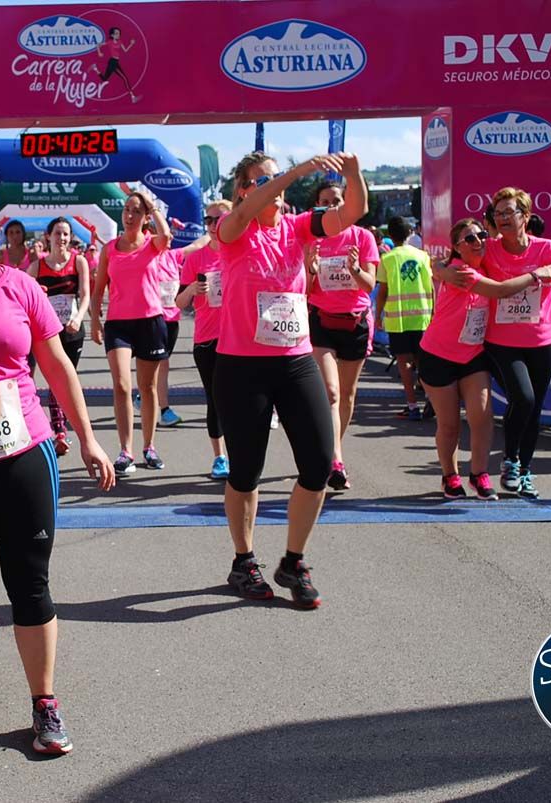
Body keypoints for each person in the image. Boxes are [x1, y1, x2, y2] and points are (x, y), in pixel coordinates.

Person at [0, 185, 114, 756]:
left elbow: (56, 365)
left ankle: (44, 702)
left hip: (21, 453)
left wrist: (87, 439)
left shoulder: (18, 286)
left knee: (30, 583)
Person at [214, 149, 361, 608]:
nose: (271, 187)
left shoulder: (298, 228)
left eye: (274, 180)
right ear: (243, 190)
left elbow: (353, 212)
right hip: (241, 365)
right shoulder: (232, 230)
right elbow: (249, 210)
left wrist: (353, 172)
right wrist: (295, 174)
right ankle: (244, 560)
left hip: (295, 359)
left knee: (318, 464)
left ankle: (293, 560)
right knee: (246, 472)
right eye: (260, 180)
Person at [441, 187, 551, 498]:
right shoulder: (490, 250)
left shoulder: (547, 249)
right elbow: (454, 261)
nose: (503, 219)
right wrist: (439, 269)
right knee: (522, 398)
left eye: (510, 212)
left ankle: (525, 471)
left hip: (543, 341)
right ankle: (510, 461)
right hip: (502, 343)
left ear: (525, 216)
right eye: (498, 214)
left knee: (534, 408)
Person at [420, 219, 551, 499]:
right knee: (449, 424)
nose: (478, 241)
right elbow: (501, 291)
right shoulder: (461, 272)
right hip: (438, 355)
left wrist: (439, 268)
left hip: (472, 354)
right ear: (457, 248)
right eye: (469, 239)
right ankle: (450, 476)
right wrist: (536, 274)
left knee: (482, 417)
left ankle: (479, 474)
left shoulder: (481, 266)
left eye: (481, 235)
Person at [302, 181, 380, 490]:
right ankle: (335, 461)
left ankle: (332, 450)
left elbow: (369, 285)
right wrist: (310, 268)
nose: (332, 206)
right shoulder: (311, 239)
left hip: (355, 322)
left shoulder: (363, 237)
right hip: (321, 321)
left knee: (346, 396)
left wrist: (355, 269)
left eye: (337, 200)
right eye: (325, 201)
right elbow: (305, 291)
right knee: (331, 393)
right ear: (317, 206)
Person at [90, 191, 172, 476]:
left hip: (150, 321)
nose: (129, 215)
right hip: (119, 324)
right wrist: (95, 321)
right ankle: (126, 451)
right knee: (123, 386)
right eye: (126, 210)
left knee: (147, 388)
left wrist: (153, 207)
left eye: (136, 211)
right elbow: (99, 287)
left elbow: (167, 236)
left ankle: (149, 446)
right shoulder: (110, 248)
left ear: (145, 217)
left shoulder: (153, 244)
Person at [176, 199, 231, 479]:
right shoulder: (196, 258)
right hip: (208, 339)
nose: (212, 226)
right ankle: (219, 457)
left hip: (241, 339)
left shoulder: (243, 251)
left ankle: (240, 453)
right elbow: (179, 301)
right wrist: (194, 290)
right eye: (208, 220)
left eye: (218, 219)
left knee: (241, 401)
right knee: (216, 399)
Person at [27, 217, 90, 455]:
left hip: (73, 330)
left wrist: (79, 317)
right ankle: (60, 431)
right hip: (47, 333)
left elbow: (85, 295)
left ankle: (61, 428)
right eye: (57, 234)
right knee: (55, 380)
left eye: (65, 234)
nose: (61, 239)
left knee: (67, 377)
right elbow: (26, 297)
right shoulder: (37, 267)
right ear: (48, 237)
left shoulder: (79, 261)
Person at [375, 216, 434, 420]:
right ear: (410, 233)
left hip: (397, 319)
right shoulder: (423, 256)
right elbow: (431, 286)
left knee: (404, 363)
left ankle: (412, 406)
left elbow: (382, 291)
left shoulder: (388, 259)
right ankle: (432, 400)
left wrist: (377, 316)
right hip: (423, 317)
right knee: (422, 362)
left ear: (390, 235)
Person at [153, 238, 184, 428]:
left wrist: (213, 229)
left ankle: (143, 394)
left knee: (161, 365)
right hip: (156, 318)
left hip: (174, 319)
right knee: (162, 364)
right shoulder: (149, 257)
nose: (169, 239)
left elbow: (196, 246)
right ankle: (165, 411)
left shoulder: (174, 256)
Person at [89, 27, 139, 102]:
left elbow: (125, 50)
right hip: (112, 62)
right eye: (116, 33)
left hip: (116, 62)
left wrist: (131, 44)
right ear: (112, 35)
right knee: (124, 78)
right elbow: (98, 45)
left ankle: (95, 68)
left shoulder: (120, 42)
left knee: (104, 79)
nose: (118, 35)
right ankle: (133, 97)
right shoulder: (110, 42)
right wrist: (99, 52)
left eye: (119, 33)